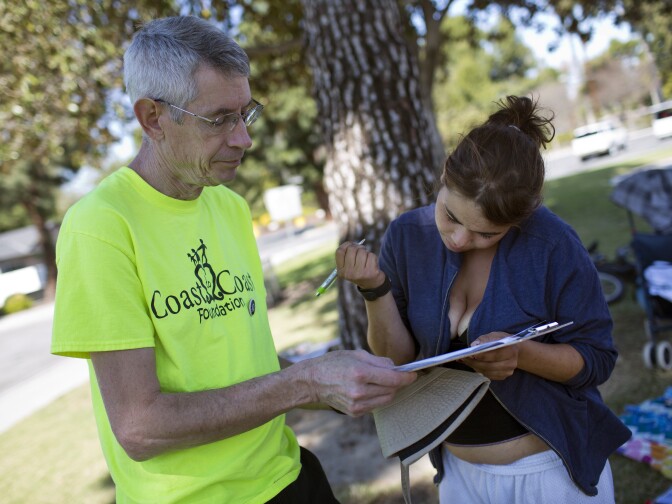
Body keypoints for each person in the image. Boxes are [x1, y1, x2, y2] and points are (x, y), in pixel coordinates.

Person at [50, 16, 416, 504]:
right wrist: (304, 384)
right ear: (152, 118)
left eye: (247, 113)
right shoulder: (99, 226)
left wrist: (331, 376)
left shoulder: (229, 205)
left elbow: (241, 361)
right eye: (219, 119)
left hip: (289, 475)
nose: (243, 138)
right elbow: (140, 428)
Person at [336, 95, 631, 503]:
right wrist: (374, 288)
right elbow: (397, 359)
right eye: (451, 217)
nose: (458, 240)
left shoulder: (552, 244)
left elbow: (598, 359)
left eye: (486, 234)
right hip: (459, 476)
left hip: (549, 476)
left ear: (519, 221)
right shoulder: (407, 236)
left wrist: (522, 355)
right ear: (443, 176)